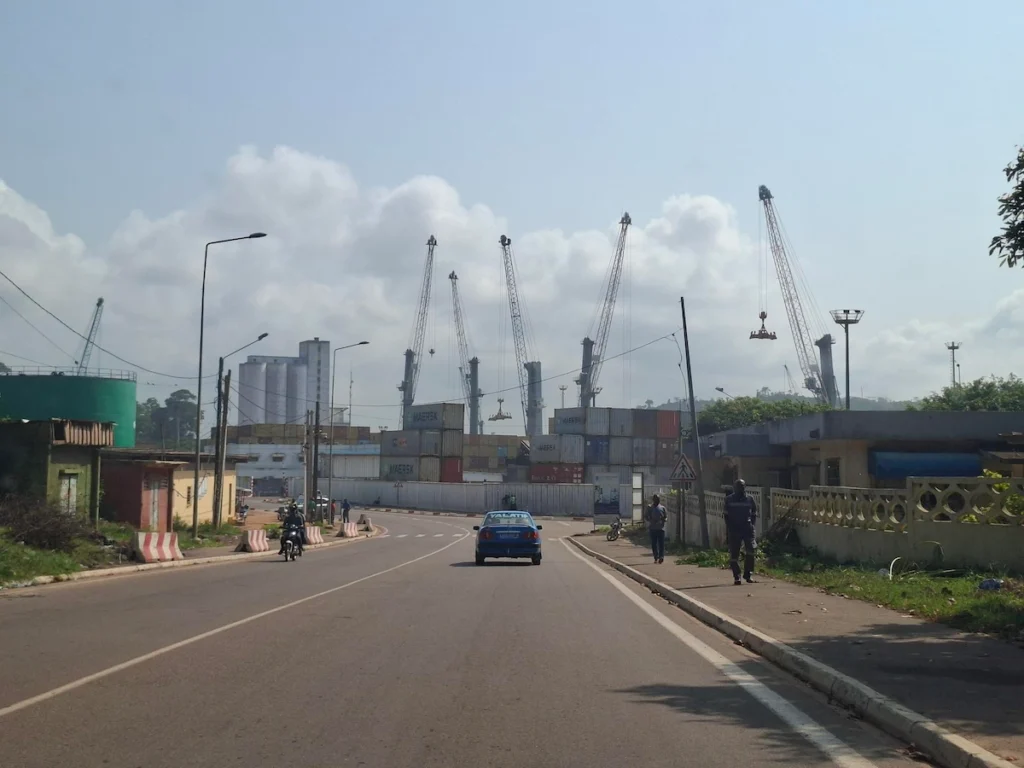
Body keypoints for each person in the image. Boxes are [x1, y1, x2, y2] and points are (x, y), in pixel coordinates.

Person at [724, 478, 758, 585]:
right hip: (735, 529)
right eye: (739, 486)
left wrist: (752, 525)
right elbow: (726, 516)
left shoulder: (750, 499)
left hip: (747, 529)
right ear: (735, 488)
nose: (741, 488)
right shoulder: (729, 499)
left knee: (751, 551)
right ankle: (737, 576)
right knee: (734, 554)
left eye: (742, 486)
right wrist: (730, 528)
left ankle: (748, 574)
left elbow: (754, 513)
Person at [645, 494, 668, 564]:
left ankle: (661, 557)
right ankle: (656, 557)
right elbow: (646, 516)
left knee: (661, 544)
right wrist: (650, 520)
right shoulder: (650, 507)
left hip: (661, 529)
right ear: (653, 500)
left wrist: (663, 519)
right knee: (654, 544)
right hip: (653, 528)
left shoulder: (662, 508)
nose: (657, 501)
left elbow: (666, 517)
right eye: (656, 499)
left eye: (658, 499)